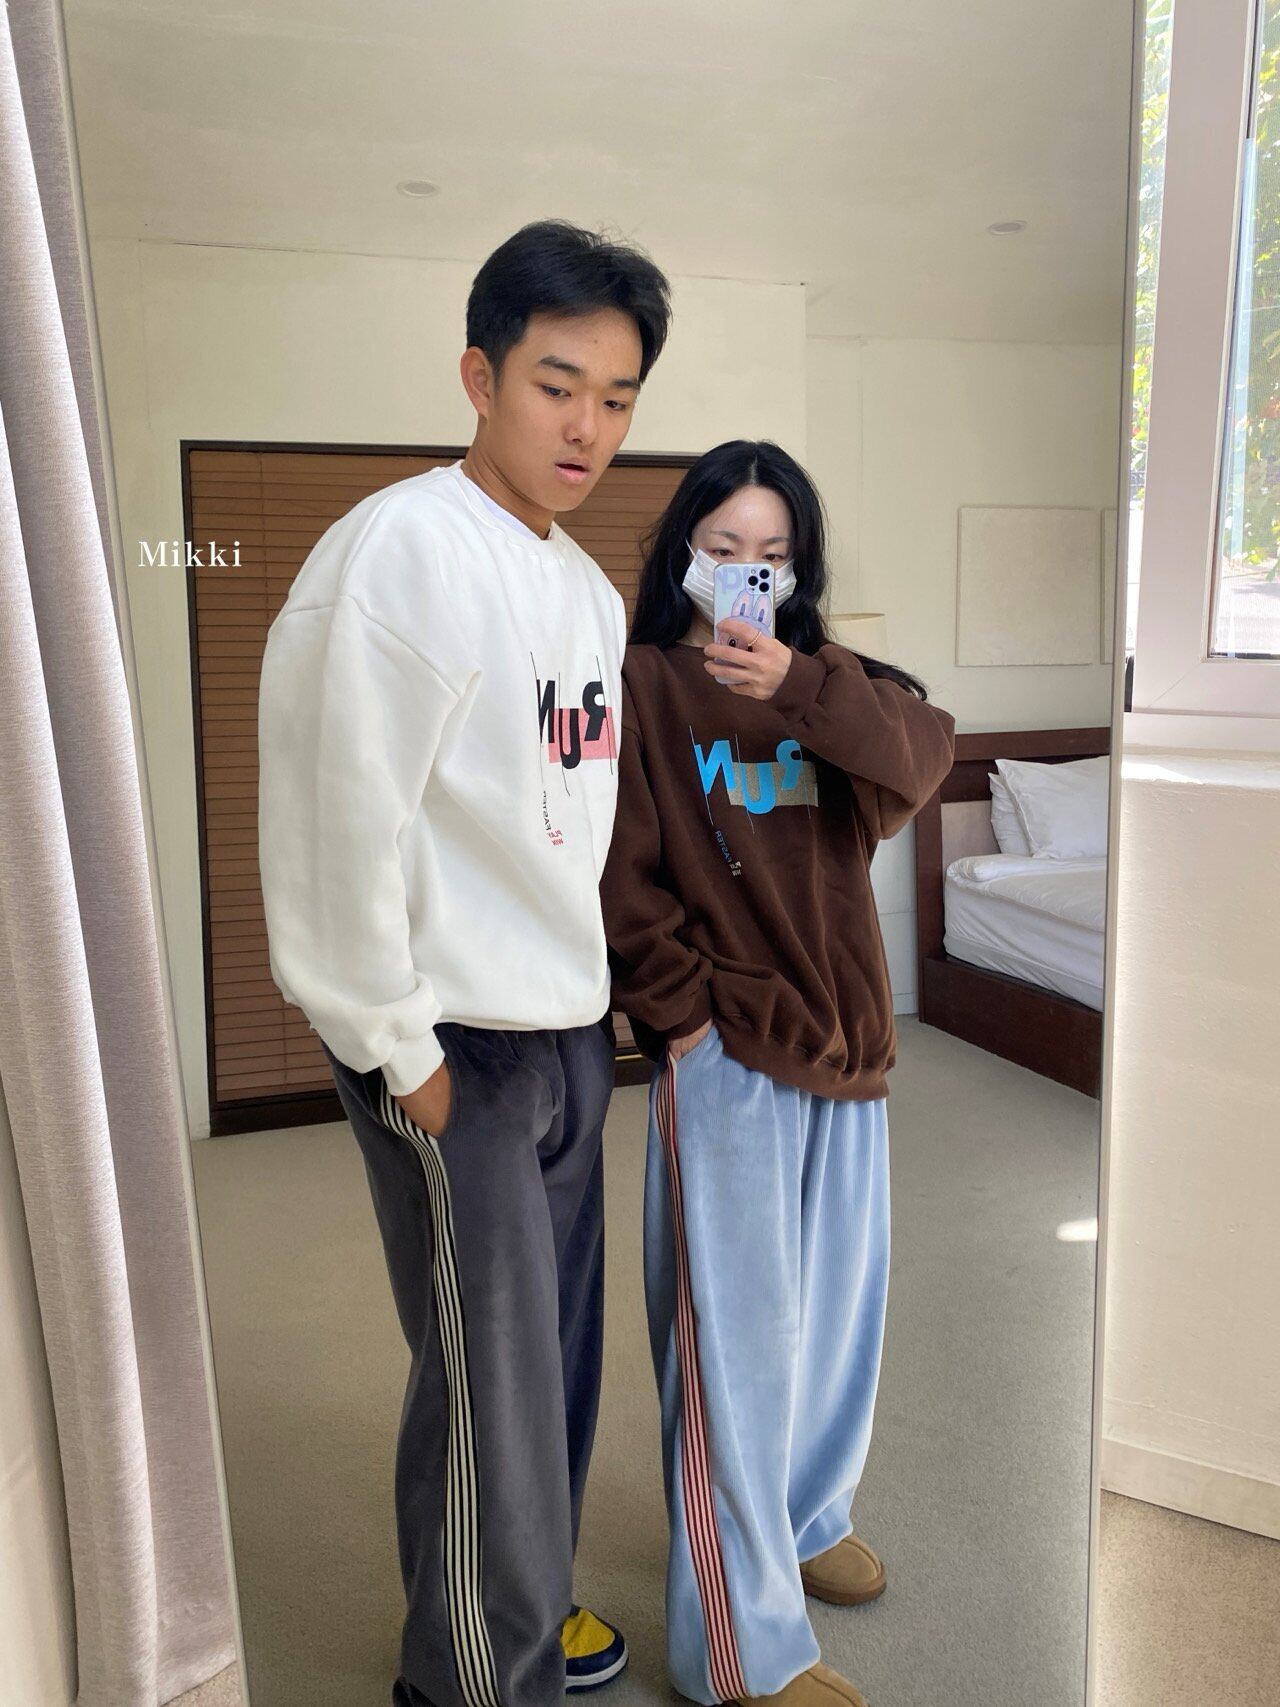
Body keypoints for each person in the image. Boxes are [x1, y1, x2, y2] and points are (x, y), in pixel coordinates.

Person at [258, 219, 671, 1707]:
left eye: (616, 398)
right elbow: (336, 816)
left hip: (563, 1029)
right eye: (557, 384)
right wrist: (401, 1049)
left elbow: (563, 823)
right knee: (487, 1375)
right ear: (479, 377)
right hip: (454, 1044)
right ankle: (470, 1678)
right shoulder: (401, 552)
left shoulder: (585, 591)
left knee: (549, 1361)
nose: (586, 427)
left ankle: (524, 1606)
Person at [600, 441, 956, 1707]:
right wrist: (681, 1024)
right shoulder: (643, 684)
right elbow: (617, 878)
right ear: (682, 553)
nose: (744, 572)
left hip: (845, 1054)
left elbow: (921, 760)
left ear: (797, 567)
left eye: (770, 553)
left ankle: (806, 1521)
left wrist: (799, 680)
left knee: (835, 1329)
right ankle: (735, 1652)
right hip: (728, 1061)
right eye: (722, 548)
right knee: (734, 1358)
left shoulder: (835, 686)